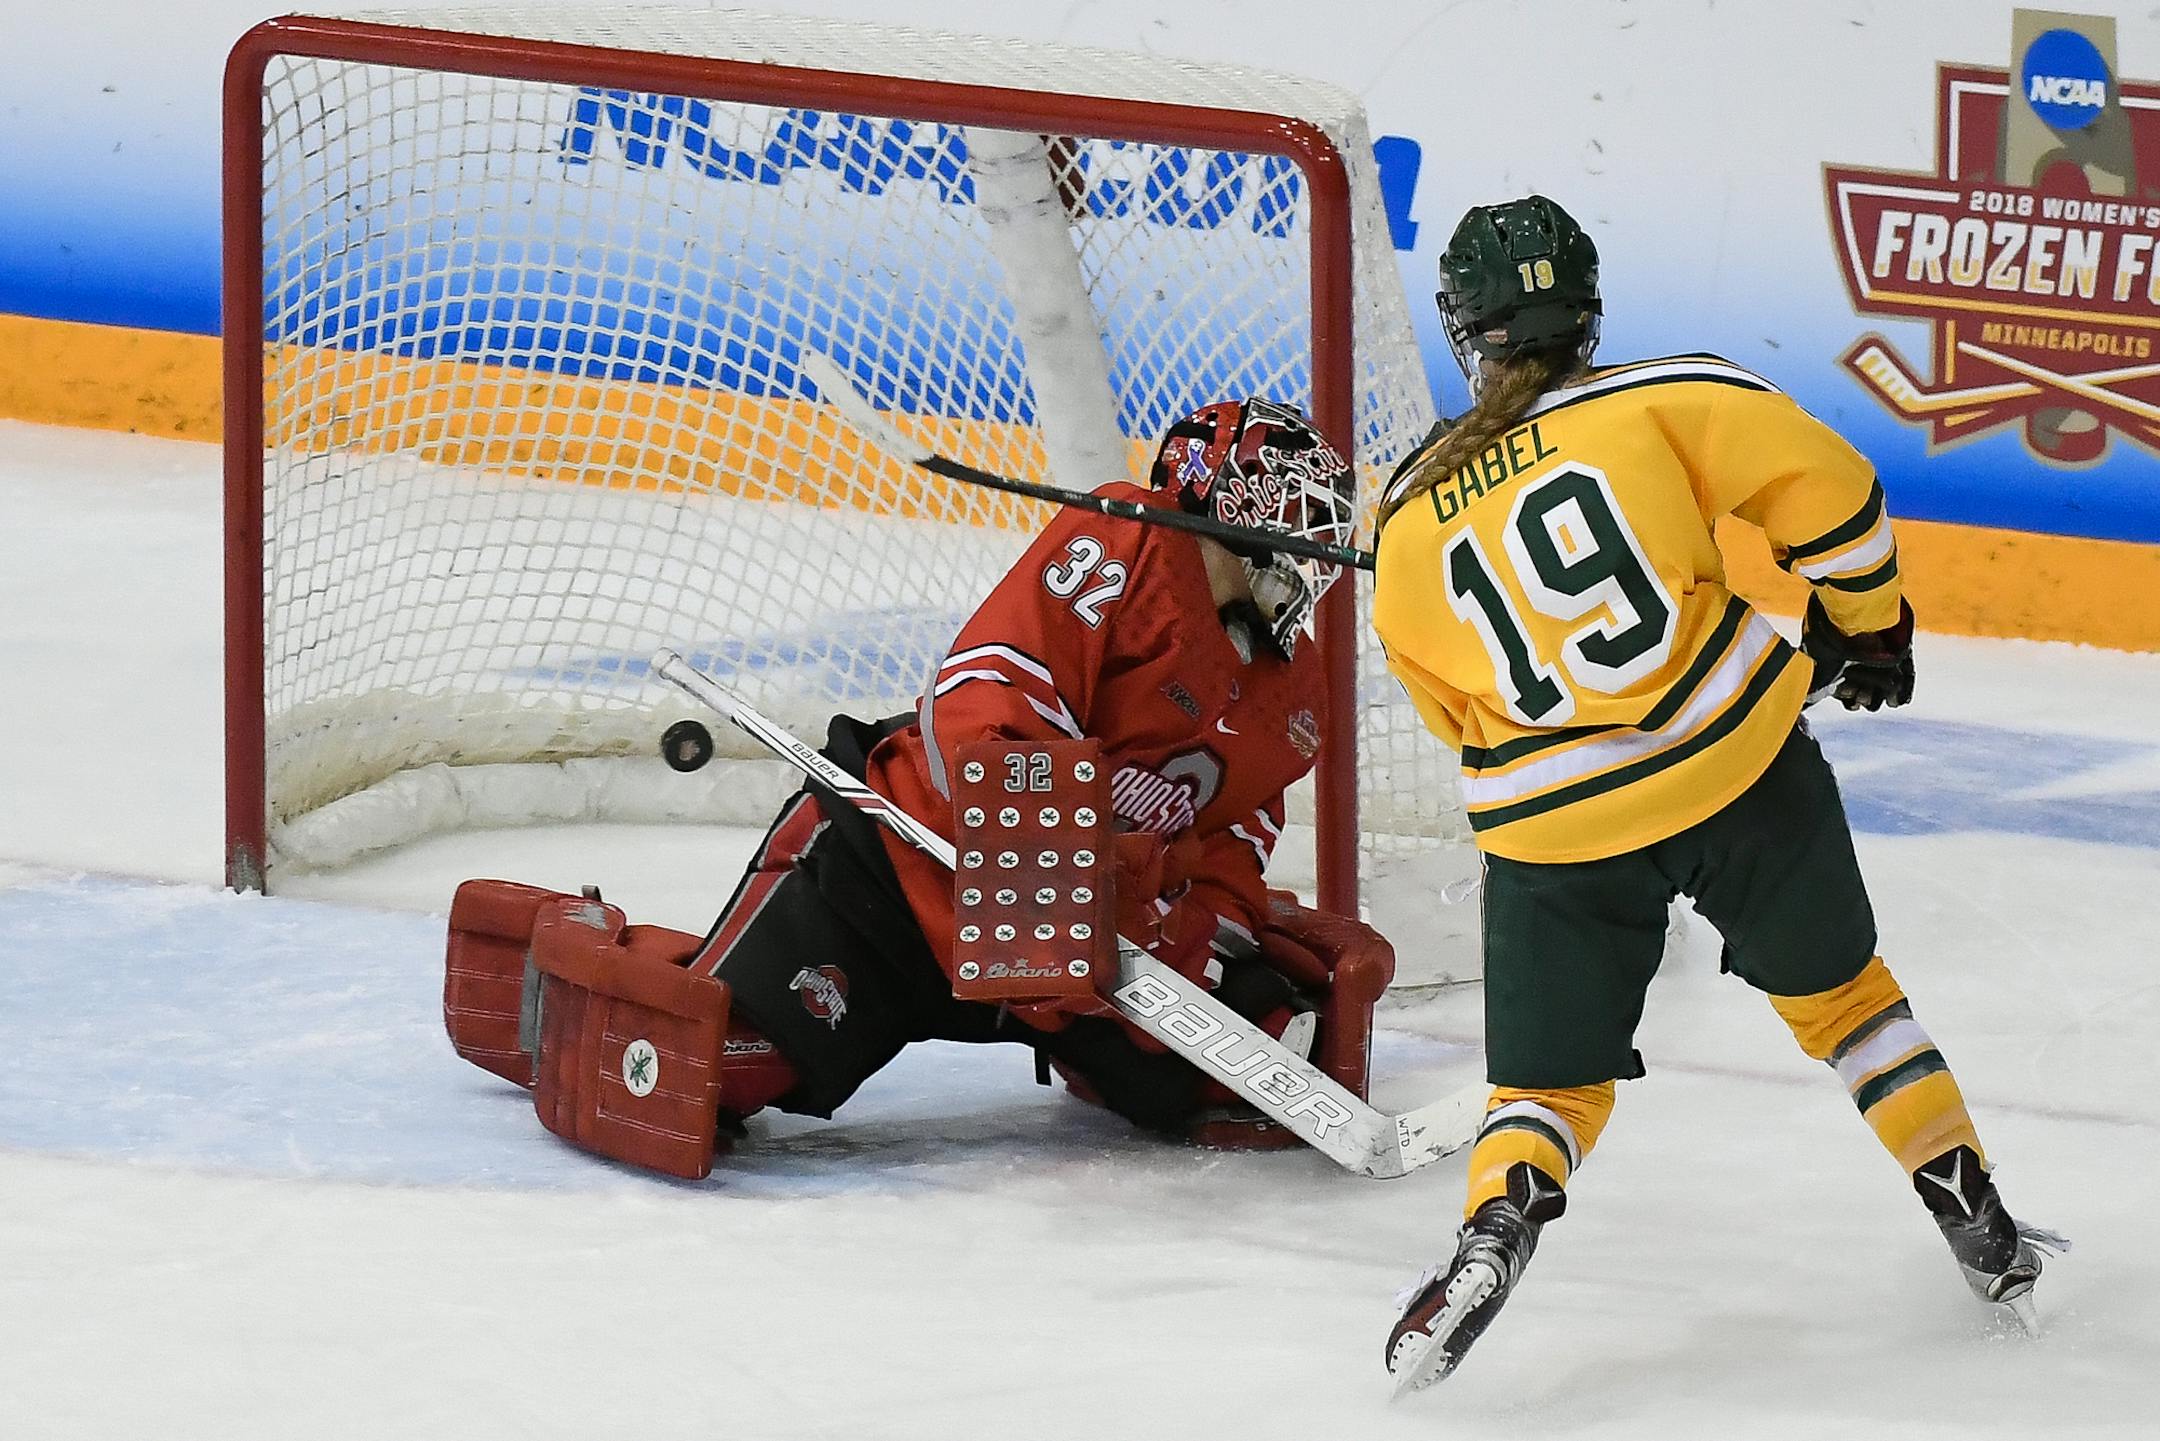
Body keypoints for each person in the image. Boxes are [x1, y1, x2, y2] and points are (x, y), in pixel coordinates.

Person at [1370, 195, 2064, 1391]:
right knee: (1850, 1006)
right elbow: (1835, 492)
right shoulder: (1665, 394)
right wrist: (1866, 629)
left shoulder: (1406, 510)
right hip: (1737, 764)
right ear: (1588, 309)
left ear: (1463, 326)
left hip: (1552, 826)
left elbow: (1443, 704)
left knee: (1545, 1087)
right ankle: (1969, 1203)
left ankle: (1496, 1227)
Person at [442, 397, 1385, 1176]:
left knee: (1249, 1060)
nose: (1315, 552)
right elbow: (988, 707)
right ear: (1229, 496)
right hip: (905, 875)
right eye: (1301, 517)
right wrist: (1099, 876)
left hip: (1072, 957)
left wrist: (1187, 931)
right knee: (710, 1067)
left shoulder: (1293, 692)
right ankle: (575, 949)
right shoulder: (1125, 542)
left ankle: (1100, 1056)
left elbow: (1231, 849)